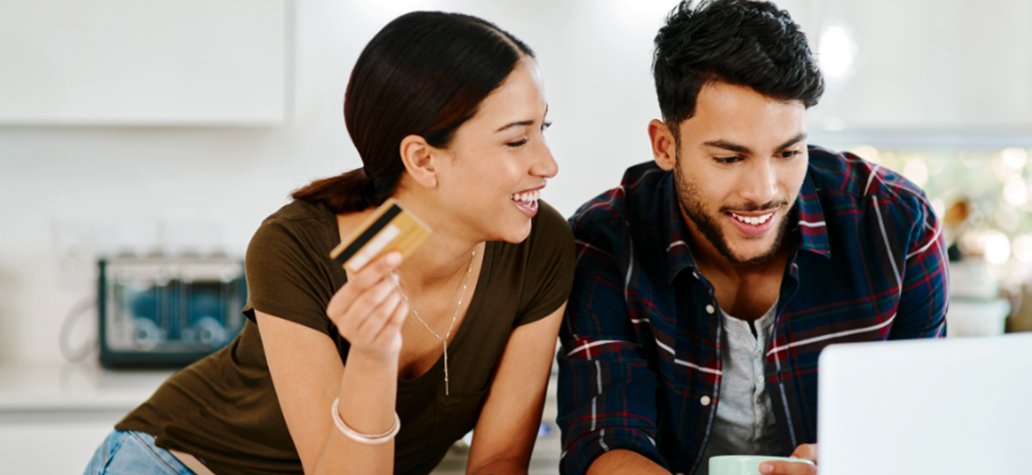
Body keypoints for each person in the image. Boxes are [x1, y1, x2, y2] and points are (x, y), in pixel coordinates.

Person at [85, 11, 574, 475]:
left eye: (542, 130)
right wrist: (370, 358)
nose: (547, 164)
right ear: (423, 160)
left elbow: (497, 463)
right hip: (180, 463)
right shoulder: (294, 247)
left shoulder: (540, 244)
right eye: (516, 140)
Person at [555, 1, 948, 475]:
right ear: (665, 145)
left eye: (788, 152)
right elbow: (604, 443)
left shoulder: (895, 224)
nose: (763, 191)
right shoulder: (605, 241)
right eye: (729, 158)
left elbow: (923, 427)